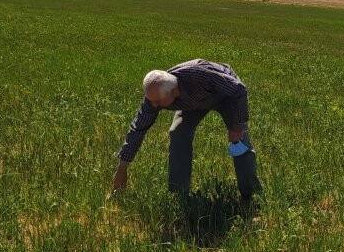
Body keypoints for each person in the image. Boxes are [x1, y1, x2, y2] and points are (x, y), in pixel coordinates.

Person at [111, 59, 261, 201]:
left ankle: (251, 196)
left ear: (173, 91)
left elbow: (238, 89)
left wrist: (238, 124)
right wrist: (122, 167)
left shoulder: (201, 75)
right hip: (193, 104)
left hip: (226, 97)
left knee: (239, 141)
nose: (154, 106)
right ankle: (178, 195)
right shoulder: (155, 95)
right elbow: (138, 128)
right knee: (178, 134)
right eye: (151, 101)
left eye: (158, 102)